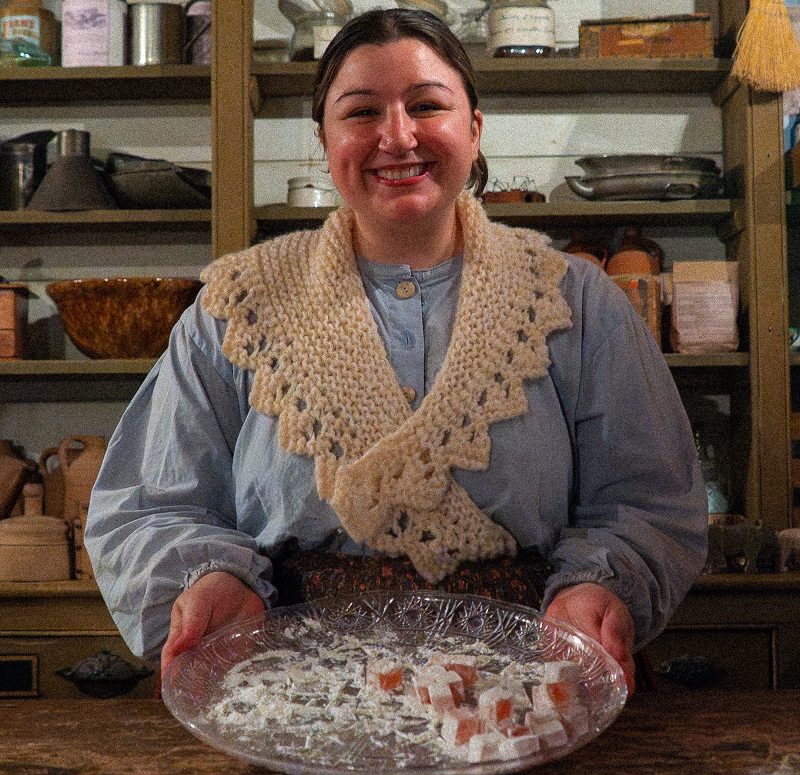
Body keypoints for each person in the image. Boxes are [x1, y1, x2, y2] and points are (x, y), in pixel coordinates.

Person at [84, 8, 708, 693]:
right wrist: (209, 580)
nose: (397, 136)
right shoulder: (236, 309)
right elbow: (149, 506)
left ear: (473, 129)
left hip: (525, 685)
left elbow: (646, 503)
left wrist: (601, 589)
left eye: (427, 105)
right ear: (325, 141)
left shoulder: (577, 302)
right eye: (361, 112)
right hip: (291, 689)